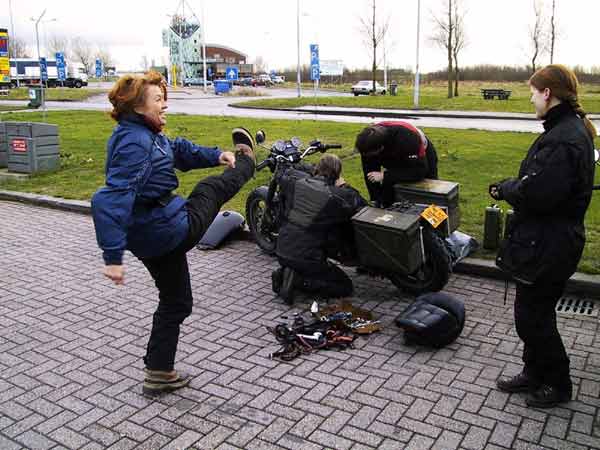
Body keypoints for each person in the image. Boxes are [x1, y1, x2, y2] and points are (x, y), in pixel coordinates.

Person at [91, 71, 255, 396]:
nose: (164, 106)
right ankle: (248, 159)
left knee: (177, 302)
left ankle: (158, 372)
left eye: (164, 99)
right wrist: (112, 257)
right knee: (210, 188)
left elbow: (175, 150)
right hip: (169, 230)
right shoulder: (134, 144)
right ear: (138, 107)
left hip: (155, 236)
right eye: (157, 100)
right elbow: (110, 198)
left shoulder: (144, 133)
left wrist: (214, 155)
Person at [490, 65, 596, 408]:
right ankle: (534, 372)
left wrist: (506, 188)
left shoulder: (564, 137)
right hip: (547, 241)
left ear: (548, 93)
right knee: (534, 313)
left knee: (533, 318)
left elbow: (539, 193)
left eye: (534, 92)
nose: (532, 98)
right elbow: (542, 183)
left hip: (550, 244)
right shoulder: (563, 130)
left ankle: (558, 382)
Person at [272, 154, 368, 304]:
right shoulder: (337, 195)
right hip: (308, 257)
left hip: (281, 249)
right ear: (337, 175)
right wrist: (343, 185)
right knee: (344, 287)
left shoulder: (295, 182)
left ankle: (286, 272)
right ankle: (299, 281)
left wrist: (309, 169)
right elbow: (362, 205)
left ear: (317, 168)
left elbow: (283, 172)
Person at [354, 121, 439, 207]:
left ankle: (435, 220)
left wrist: (385, 176)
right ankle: (390, 214)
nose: (368, 157)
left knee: (430, 194)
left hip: (420, 156)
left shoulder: (407, 139)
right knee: (387, 192)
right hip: (393, 153)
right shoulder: (366, 144)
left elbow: (419, 171)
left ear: (381, 148)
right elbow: (370, 174)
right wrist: (376, 200)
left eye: (371, 155)